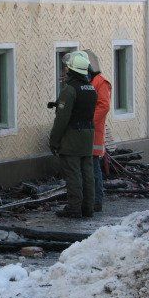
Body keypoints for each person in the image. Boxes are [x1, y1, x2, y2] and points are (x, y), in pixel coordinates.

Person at [50, 51, 98, 218]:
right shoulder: (91, 88)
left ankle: (74, 208)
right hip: (88, 136)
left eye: (67, 68)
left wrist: (54, 141)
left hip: (72, 137)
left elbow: (62, 119)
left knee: (73, 174)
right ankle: (88, 208)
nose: (65, 70)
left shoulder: (70, 90)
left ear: (71, 70)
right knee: (87, 174)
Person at [84, 49, 111, 212]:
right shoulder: (92, 81)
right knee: (89, 168)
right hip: (88, 131)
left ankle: (97, 200)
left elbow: (104, 106)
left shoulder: (100, 82)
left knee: (94, 167)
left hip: (93, 132)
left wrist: (88, 120)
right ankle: (92, 200)